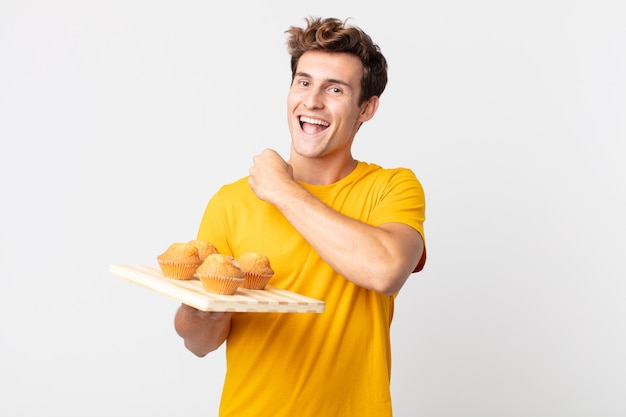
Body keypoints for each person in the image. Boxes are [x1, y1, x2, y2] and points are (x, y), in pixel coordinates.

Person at [174, 16, 426, 417]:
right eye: (304, 82)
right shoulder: (231, 201)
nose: (312, 101)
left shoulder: (392, 188)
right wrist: (203, 312)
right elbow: (199, 344)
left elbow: (385, 271)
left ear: (367, 108)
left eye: (335, 89)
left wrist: (283, 190)